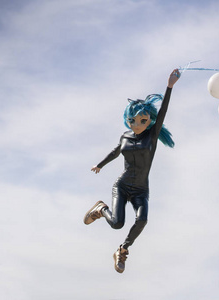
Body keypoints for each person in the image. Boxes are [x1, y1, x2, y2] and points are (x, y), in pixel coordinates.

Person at [84, 68, 180, 273]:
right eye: (133, 121)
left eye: (142, 121)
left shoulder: (151, 136)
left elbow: (163, 111)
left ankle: (122, 249)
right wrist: (100, 164)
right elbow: (116, 151)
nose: (137, 125)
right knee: (117, 224)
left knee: (143, 219)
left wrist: (169, 86)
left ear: (149, 121)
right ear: (127, 120)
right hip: (123, 186)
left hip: (141, 190)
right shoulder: (125, 136)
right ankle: (101, 209)